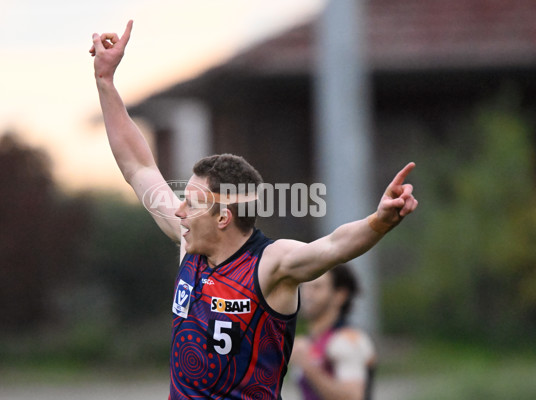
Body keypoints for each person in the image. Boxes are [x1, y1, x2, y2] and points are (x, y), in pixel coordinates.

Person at [89, 20, 418, 400]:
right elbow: (140, 167)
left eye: (192, 203)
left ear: (223, 217)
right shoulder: (189, 244)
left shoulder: (270, 265)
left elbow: (332, 246)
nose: (179, 211)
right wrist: (105, 82)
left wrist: (379, 221)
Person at [290, 264, 376, 400]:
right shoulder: (308, 342)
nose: (307, 294)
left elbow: (353, 396)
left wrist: (307, 365)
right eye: (304, 287)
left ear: (340, 295)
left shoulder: (348, 340)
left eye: (317, 287)